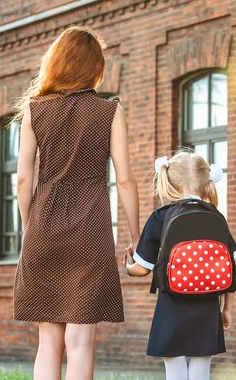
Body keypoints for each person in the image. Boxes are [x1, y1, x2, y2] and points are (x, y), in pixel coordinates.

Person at [12, 25, 140, 380]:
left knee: (48, 340)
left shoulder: (35, 111)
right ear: (94, 68)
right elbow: (125, 179)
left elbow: (23, 178)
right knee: (81, 340)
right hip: (91, 233)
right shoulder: (109, 111)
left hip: (43, 230)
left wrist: (29, 227)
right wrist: (136, 235)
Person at [124, 151, 236, 380]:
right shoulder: (216, 217)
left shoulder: (161, 217)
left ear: (168, 182)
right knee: (201, 370)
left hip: (171, 306)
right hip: (208, 306)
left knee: (175, 371)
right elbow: (232, 269)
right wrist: (227, 309)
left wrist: (129, 266)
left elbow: (142, 268)